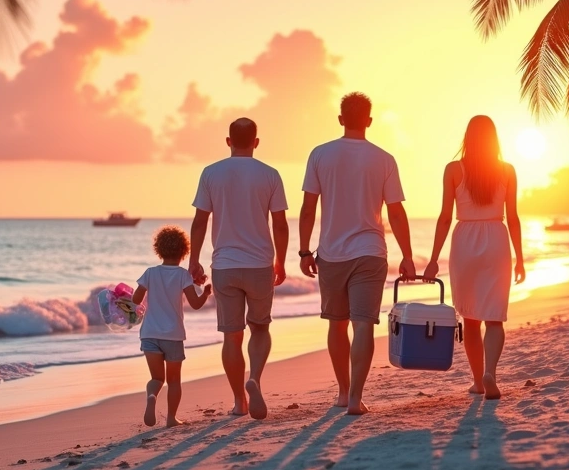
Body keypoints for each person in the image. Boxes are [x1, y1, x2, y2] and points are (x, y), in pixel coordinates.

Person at [298, 92, 415, 415]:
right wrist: (407, 255)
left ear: (340, 120)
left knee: (336, 324)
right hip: (370, 252)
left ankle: (342, 391)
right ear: (369, 121)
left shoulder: (320, 155)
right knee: (363, 324)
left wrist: (305, 251)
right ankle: (355, 398)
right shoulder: (384, 159)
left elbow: (308, 209)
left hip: (331, 254)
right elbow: (396, 212)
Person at [189, 117, 289, 420]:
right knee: (260, 328)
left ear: (228, 141)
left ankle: (239, 402)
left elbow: (200, 221)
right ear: (256, 142)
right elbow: (281, 224)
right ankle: (254, 379)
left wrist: (193, 260)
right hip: (259, 264)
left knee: (231, 336)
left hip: (225, 265)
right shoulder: (270, 175)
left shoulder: (211, 173)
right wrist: (281, 261)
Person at [423, 115, 525, 400]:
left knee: (470, 318)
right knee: (495, 318)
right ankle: (490, 371)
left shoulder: (454, 169)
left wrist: (433, 260)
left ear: (467, 138)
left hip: (465, 241)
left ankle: (479, 382)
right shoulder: (507, 170)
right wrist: (520, 258)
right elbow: (514, 218)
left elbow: (445, 218)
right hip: (496, 238)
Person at [132, 226, 212, 427]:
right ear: (184, 251)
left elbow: (136, 298)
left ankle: (152, 396)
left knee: (156, 378)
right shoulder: (183, 276)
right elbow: (195, 304)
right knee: (174, 381)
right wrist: (206, 294)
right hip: (173, 336)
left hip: (149, 334)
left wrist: (140, 303)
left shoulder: (150, 273)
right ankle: (171, 418)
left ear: (158, 249)